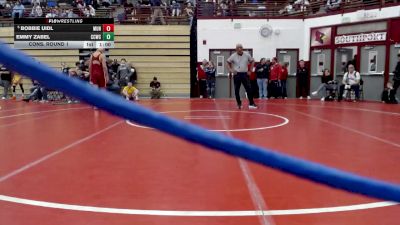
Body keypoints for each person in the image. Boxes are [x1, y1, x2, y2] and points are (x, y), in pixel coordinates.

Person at [227, 44, 257, 109]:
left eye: (241, 48)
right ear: (236, 49)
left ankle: (251, 103)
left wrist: (250, 70)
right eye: (238, 48)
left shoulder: (247, 54)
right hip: (237, 74)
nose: (240, 49)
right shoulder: (233, 56)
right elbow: (228, 62)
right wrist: (231, 70)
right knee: (236, 90)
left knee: (248, 89)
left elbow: (252, 61)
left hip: (245, 74)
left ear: (242, 49)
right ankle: (239, 104)